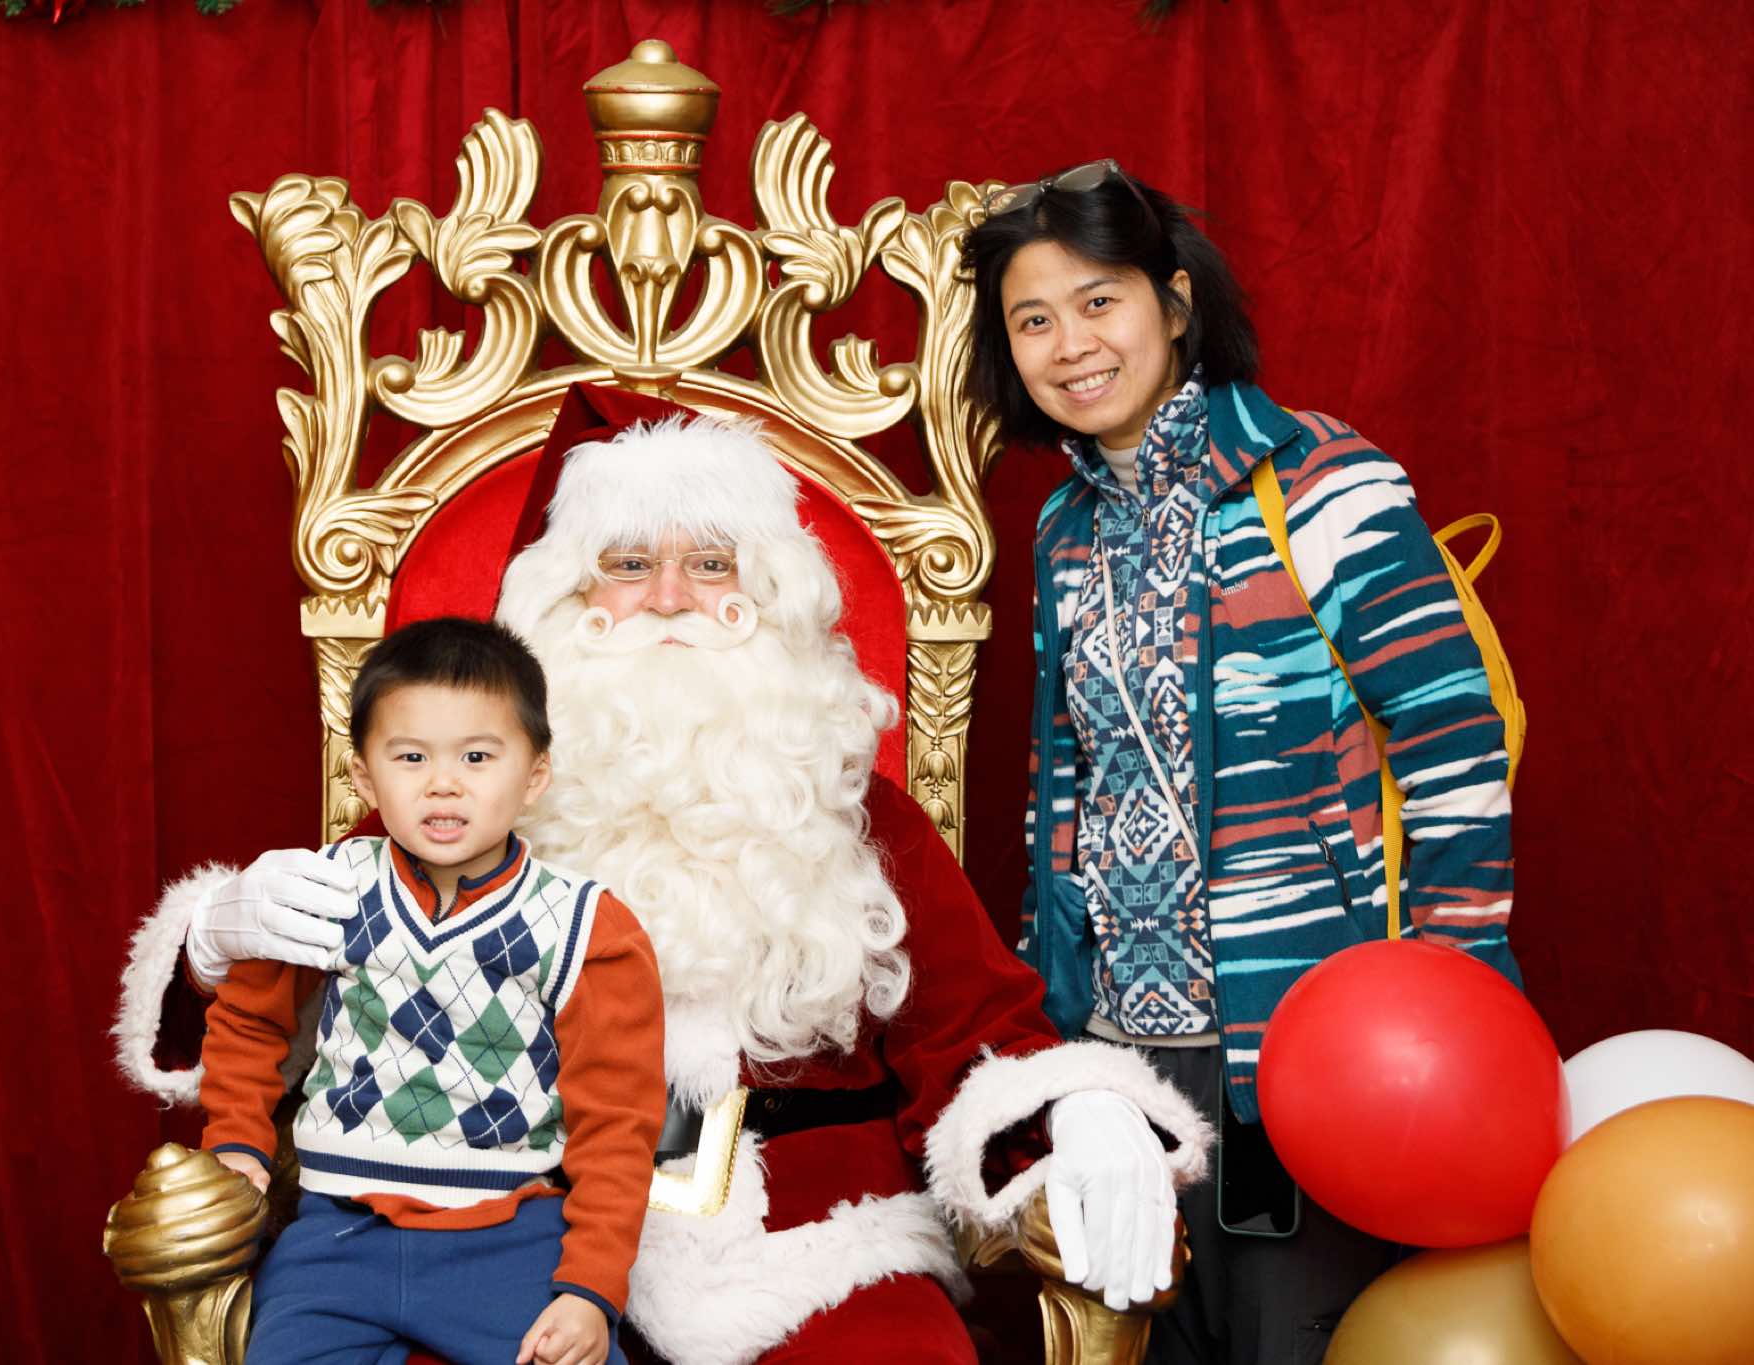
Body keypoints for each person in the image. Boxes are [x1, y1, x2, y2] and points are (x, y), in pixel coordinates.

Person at [113, 384, 1215, 1365]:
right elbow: (278, 1003)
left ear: (766, 591)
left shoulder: (853, 809)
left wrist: (1076, 1111)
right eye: (631, 565)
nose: (674, 597)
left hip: (811, 1241)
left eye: (711, 563)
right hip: (506, 1229)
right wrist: (218, 936)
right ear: (567, 599)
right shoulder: (466, 794)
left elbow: (978, 1032)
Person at [960, 160, 1521, 1364]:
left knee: (1295, 1336)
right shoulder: (1063, 530)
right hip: (1125, 1062)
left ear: (1172, 304)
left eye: (1097, 301)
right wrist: (1057, 1037)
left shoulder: (1316, 478)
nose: (1070, 345)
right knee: (1155, 1340)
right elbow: (1064, 789)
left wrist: (1452, 993)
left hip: (1306, 1037)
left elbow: (1449, 733)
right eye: (1032, 320)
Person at [197, 616, 664, 1365]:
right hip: (335, 1236)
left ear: (535, 775)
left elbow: (617, 1123)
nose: (443, 783)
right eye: (411, 756)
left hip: (508, 1238)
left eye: (478, 756)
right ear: (363, 777)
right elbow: (249, 1018)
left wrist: (591, 1289)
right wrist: (234, 1138)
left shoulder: (586, 925)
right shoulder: (323, 887)